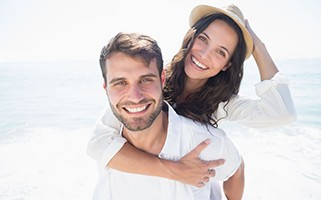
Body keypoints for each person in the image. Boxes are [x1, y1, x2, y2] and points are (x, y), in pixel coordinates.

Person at [88, 2, 296, 198]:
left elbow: (281, 113)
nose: (204, 55)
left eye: (220, 52)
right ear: (191, 37)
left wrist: (258, 46)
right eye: (203, 39)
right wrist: (174, 171)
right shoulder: (149, 84)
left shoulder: (223, 104)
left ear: (227, 65)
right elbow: (98, 144)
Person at [93, 32, 244, 200]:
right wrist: (175, 170)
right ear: (106, 88)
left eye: (146, 80)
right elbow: (95, 146)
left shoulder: (201, 141)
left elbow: (236, 169)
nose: (135, 97)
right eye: (120, 83)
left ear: (162, 79)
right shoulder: (108, 138)